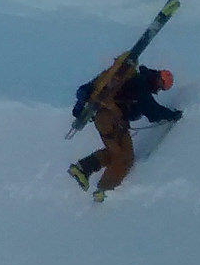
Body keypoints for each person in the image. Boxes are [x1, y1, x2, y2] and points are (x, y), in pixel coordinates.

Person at [68, 59, 181, 201]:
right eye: (161, 85)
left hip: (111, 119)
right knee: (124, 157)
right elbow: (152, 111)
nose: (159, 89)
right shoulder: (141, 84)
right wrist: (173, 115)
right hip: (111, 119)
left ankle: (83, 168)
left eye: (162, 89)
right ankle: (104, 191)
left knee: (117, 152)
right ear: (157, 77)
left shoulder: (137, 81)